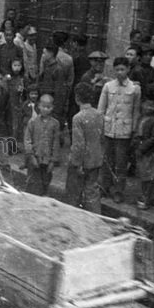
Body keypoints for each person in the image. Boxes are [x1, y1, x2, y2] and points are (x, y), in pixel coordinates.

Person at [98, 57, 141, 203]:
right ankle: (104, 186)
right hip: (109, 128)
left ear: (128, 69)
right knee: (107, 160)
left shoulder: (135, 89)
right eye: (117, 70)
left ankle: (118, 190)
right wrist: (100, 126)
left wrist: (134, 129)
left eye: (123, 69)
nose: (120, 72)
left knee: (121, 163)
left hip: (124, 131)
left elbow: (136, 111)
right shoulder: (108, 86)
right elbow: (101, 108)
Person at [65, 82, 104, 214]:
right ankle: (95, 217)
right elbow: (101, 137)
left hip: (82, 162)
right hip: (96, 159)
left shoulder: (78, 118)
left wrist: (77, 163)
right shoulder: (98, 114)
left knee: (74, 192)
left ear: (77, 98)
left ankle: (74, 217)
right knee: (92, 191)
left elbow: (78, 144)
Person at [24, 93, 60, 196]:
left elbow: (56, 142)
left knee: (45, 182)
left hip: (47, 160)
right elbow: (27, 140)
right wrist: (31, 156)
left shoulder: (55, 124)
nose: (45, 109)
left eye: (48, 107)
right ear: (39, 106)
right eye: (43, 106)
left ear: (52, 108)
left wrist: (53, 161)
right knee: (32, 183)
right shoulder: (33, 122)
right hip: (35, 158)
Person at [132, 99, 154, 210]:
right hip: (140, 149)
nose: (148, 108)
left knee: (149, 176)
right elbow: (136, 132)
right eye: (146, 106)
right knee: (143, 174)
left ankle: (148, 198)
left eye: (151, 106)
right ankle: (149, 196)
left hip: (148, 152)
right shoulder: (141, 118)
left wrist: (142, 148)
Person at [37, 43, 68, 127]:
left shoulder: (58, 70)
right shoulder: (47, 67)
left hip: (51, 106)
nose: (43, 55)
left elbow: (59, 92)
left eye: (44, 53)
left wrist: (56, 111)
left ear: (51, 54)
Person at [68, 33, 91, 127]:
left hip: (76, 85)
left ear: (76, 43)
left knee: (73, 111)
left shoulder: (76, 57)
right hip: (86, 85)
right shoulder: (88, 56)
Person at [5, 58, 26, 146]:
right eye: (15, 65)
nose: (17, 68)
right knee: (10, 124)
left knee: (17, 125)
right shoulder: (8, 78)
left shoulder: (23, 78)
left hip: (19, 103)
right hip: (9, 103)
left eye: (19, 65)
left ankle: (14, 144)